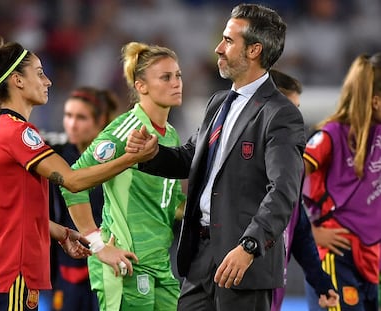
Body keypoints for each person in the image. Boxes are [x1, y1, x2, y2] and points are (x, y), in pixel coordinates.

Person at [126, 3, 306, 311]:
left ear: (254, 50)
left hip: (243, 262)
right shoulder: (219, 102)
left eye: (228, 40)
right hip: (202, 255)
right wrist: (152, 154)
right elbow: (190, 159)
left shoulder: (280, 114)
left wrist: (250, 246)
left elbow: (283, 191)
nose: (218, 48)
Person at [0, 36, 156, 311]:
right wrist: (132, 158)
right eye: (40, 74)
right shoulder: (18, 133)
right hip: (12, 276)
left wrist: (60, 231)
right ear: (18, 81)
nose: (48, 82)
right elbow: (73, 180)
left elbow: (7, 212)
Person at [61, 41, 186, 311]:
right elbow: (73, 183)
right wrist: (96, 243)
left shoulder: (172, 135)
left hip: (160, 263)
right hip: (126, 261)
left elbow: (171, 202)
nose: (176, 83)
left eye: (178, 75)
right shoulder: (125, 130)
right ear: (141, 86)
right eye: (166, 77)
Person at [302, 53, 381, 311]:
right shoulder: (331, 136)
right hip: (337, 257)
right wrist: (309, 232)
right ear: (377, 102)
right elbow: (284, 183)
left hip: (372, 259)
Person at [269, 69, 339, 311]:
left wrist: (321, 282)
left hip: (273, 288)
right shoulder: (243, 160)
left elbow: (297, 226)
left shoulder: (292, 162)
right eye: (290, 108)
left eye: (297, 109)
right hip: (239, 284)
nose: (296, 118)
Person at [50, 86, 118, 311]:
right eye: (68, 115)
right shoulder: (56, 156)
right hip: (68, 267)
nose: (72, 124)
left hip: (107, 264)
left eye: (81, 117)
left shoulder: (117, 159)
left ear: (101, 121)